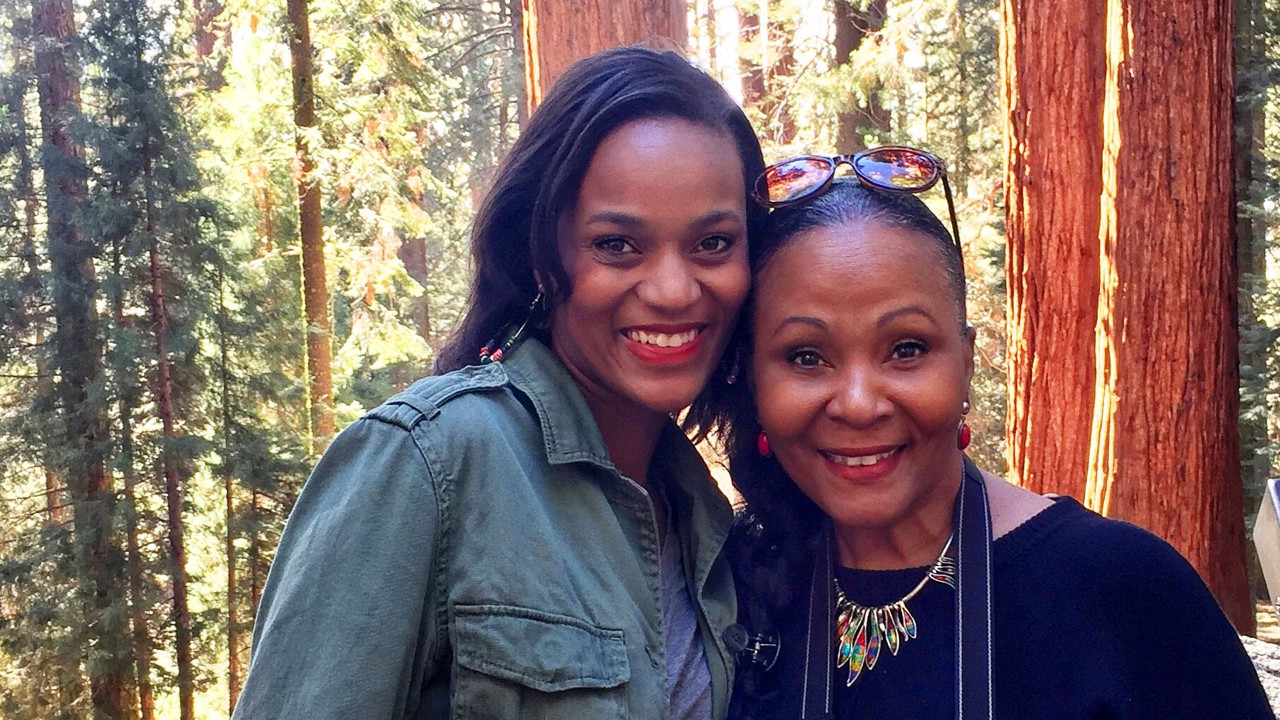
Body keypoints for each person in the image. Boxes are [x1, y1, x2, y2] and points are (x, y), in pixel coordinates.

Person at [232, 46, 767, 720]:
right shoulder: (426, 462)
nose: (671, 289)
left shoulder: (700, 512)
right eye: (616, 244)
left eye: (712, 243)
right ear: (541, 250)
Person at [703, 148, 1275, 719]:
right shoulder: (721, 587)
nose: (858, 405)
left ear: (966, 363)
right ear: (753, 380)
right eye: (806, 356)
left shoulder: (1121, 586)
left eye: (907, 349)